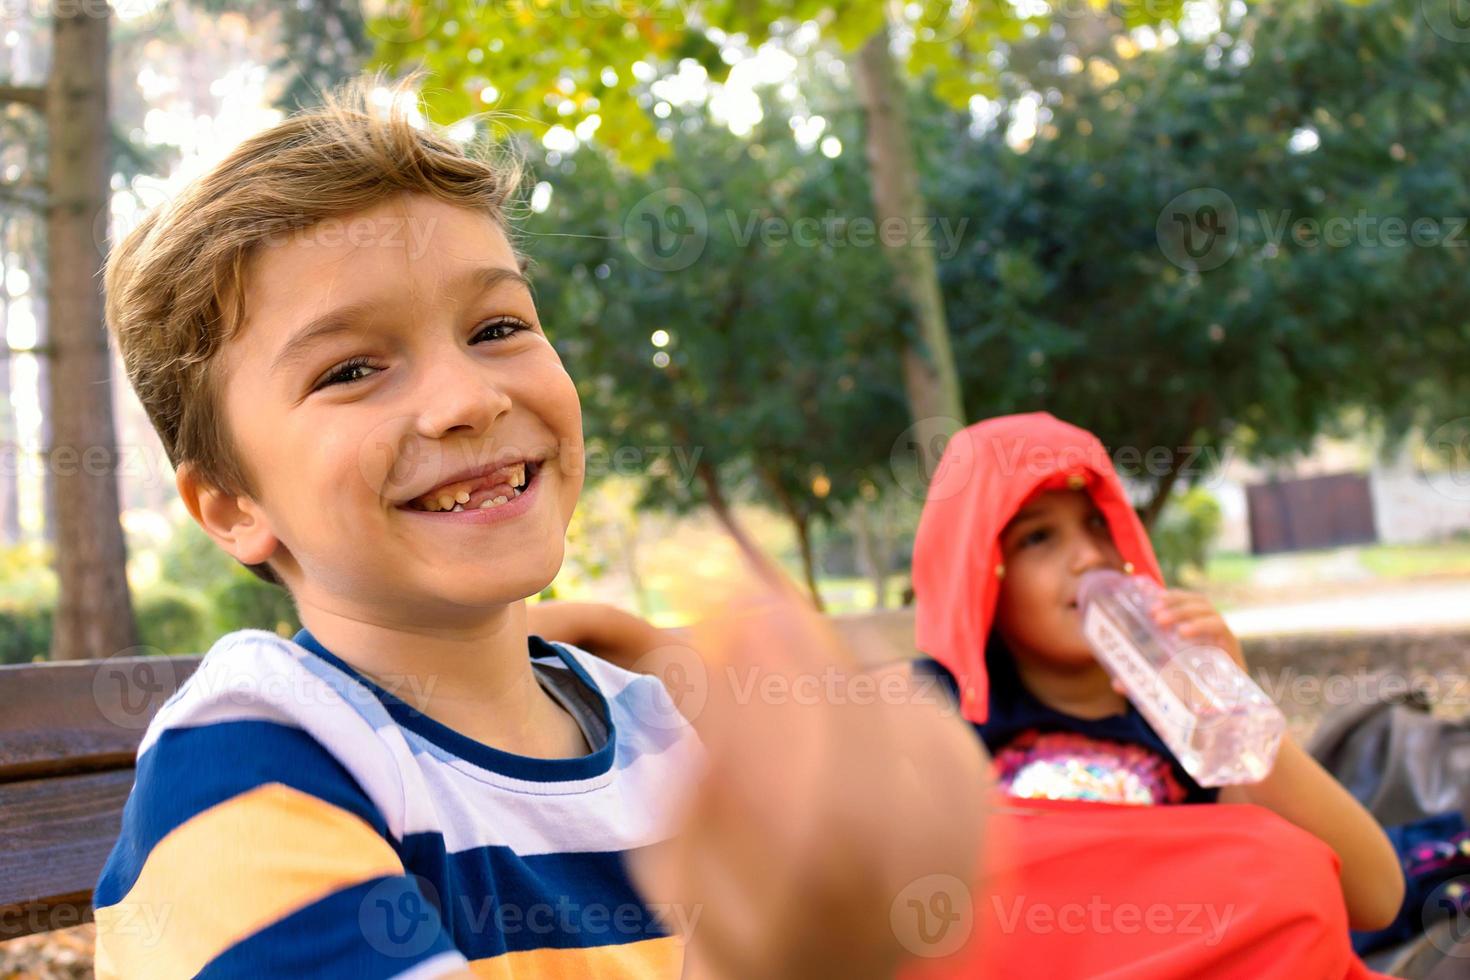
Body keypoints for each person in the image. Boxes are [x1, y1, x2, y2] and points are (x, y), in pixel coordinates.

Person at [92, 70, 985, 979]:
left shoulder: (662, 726)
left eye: (496, 328)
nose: (469, 399)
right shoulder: (254, 753)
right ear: (234, 507)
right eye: (352, 369)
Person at [906, 411, 1404, 977]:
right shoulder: (940, 715)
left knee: (1288, 866)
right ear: (975, 573)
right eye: (1038, 537)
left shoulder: (1180, 714)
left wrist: (1241, 715)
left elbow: (1376, 896)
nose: (1088, 557)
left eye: (1099, 523)